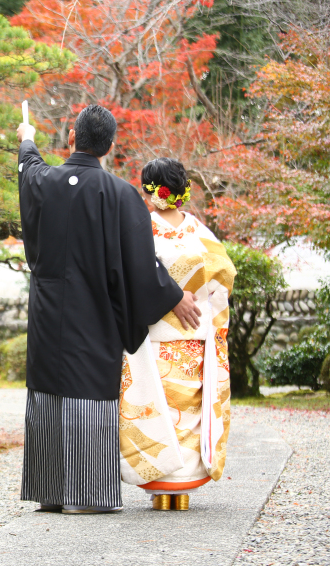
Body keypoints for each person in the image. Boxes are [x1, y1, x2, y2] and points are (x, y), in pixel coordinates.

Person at [15, 105, 202, 514]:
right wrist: (173, 295)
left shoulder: (44, 181)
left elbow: (28, 166)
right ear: (111, 146)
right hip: (94, 311)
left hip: (48, 313)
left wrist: (26, 137)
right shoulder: (119, 194)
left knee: (48, 390)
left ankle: (50, 492)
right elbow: (140, 260)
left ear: (70, 138)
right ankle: (84, 496)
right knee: (88, 389)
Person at [119, 158, 236, 511]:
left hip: (152, 335)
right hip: (195, 334)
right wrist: (199, 301)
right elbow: (224, 277)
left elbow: (130, 278)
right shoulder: (200, 232)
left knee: (154, 408)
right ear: (182, 188)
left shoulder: (142, 229)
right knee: (188, 411)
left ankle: (160, 482)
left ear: (149, 190)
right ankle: (182, 486)